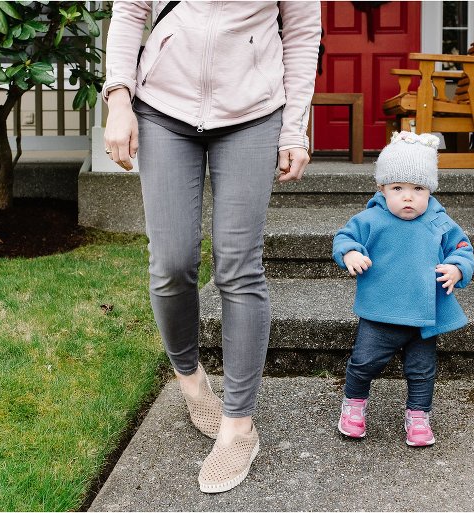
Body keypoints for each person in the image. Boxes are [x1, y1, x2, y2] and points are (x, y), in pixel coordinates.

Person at [102, 1, 321, 493]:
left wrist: (294, 127)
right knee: (172, 262)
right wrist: (119, 96)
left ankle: (238, 425)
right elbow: (130, 11)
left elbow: (304, 35)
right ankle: (190, 376)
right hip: (162, 107)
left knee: (239, 266)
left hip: (252, 113)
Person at [332, 131, 474, 447]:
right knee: (364, 361)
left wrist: (456, 267)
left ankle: (419, 416)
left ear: (430, 191)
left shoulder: (439, 221)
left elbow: (462, 248)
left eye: (418, 189)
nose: (408, 197)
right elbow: (344, 238)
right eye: (398, 188)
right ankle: (354, 406)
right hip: (381, 312)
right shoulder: (371, 218)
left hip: (424, 316)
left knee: (422, 370)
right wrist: (351, 253)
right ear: (382, 189)